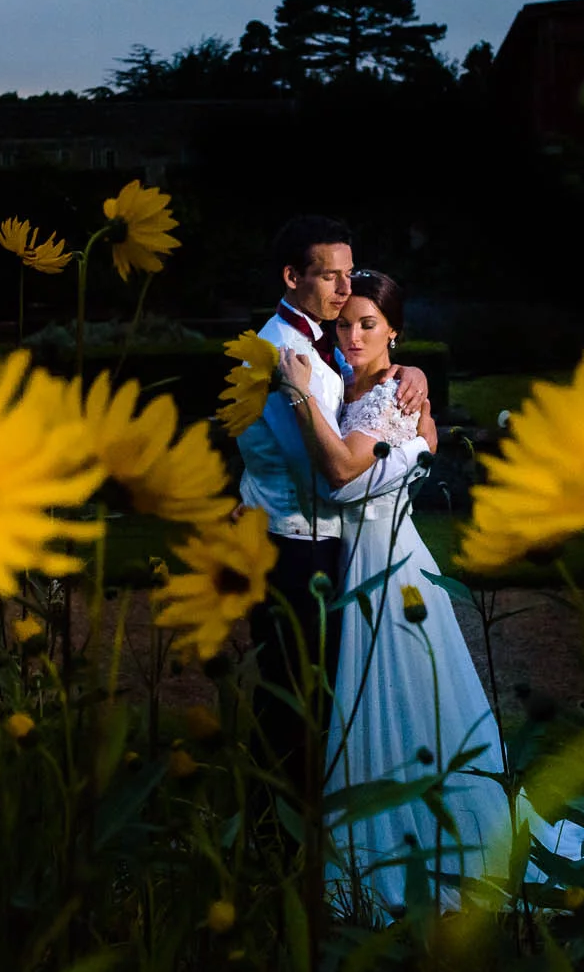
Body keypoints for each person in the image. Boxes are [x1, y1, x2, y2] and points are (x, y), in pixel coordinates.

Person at [279, 270, 584, 920]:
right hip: (382, 559)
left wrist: (302, 397)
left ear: (394, 328)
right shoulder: (376, 387)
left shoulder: (379, 400)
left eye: (369, 323)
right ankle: (398, 831)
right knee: (401, 701)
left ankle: (409, 850)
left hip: (387, 570)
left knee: (397, 697)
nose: (354, 334)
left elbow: (341, 474)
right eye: (346, 323)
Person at [237, 217, 429, 790]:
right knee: (294, 698)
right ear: (293, 277)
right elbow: (332, 479)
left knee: (317, 693)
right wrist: (408, 449)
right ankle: (277, 838)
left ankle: (302, 824)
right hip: (297, 549)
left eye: (349, 276)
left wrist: (408, 373)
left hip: (318, 544)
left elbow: (365, 382)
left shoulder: (315, 345)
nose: (345, 291)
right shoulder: (281, 356)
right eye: (331, 277)